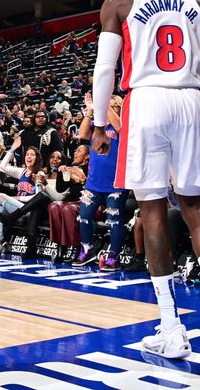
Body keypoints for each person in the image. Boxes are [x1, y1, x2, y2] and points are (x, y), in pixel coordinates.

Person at [90, 0, 200, 359]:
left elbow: (105, 69)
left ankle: (172, 328)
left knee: (152, 209)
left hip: (147, 100)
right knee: (194, 207)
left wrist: (100, 124)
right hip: (190, 99)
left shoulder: (119, 0)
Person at [71, 92, 128, 270]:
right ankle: (88, 249)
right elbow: (82, 133)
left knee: (114, 220)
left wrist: (103, 104)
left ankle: (114, 255)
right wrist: (90, 111)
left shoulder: (123, 126)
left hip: (115, 183)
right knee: (84, 216)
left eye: (113, 105)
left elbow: (119, 125)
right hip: (93, 183)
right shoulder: (98, 127)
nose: (107, 108)